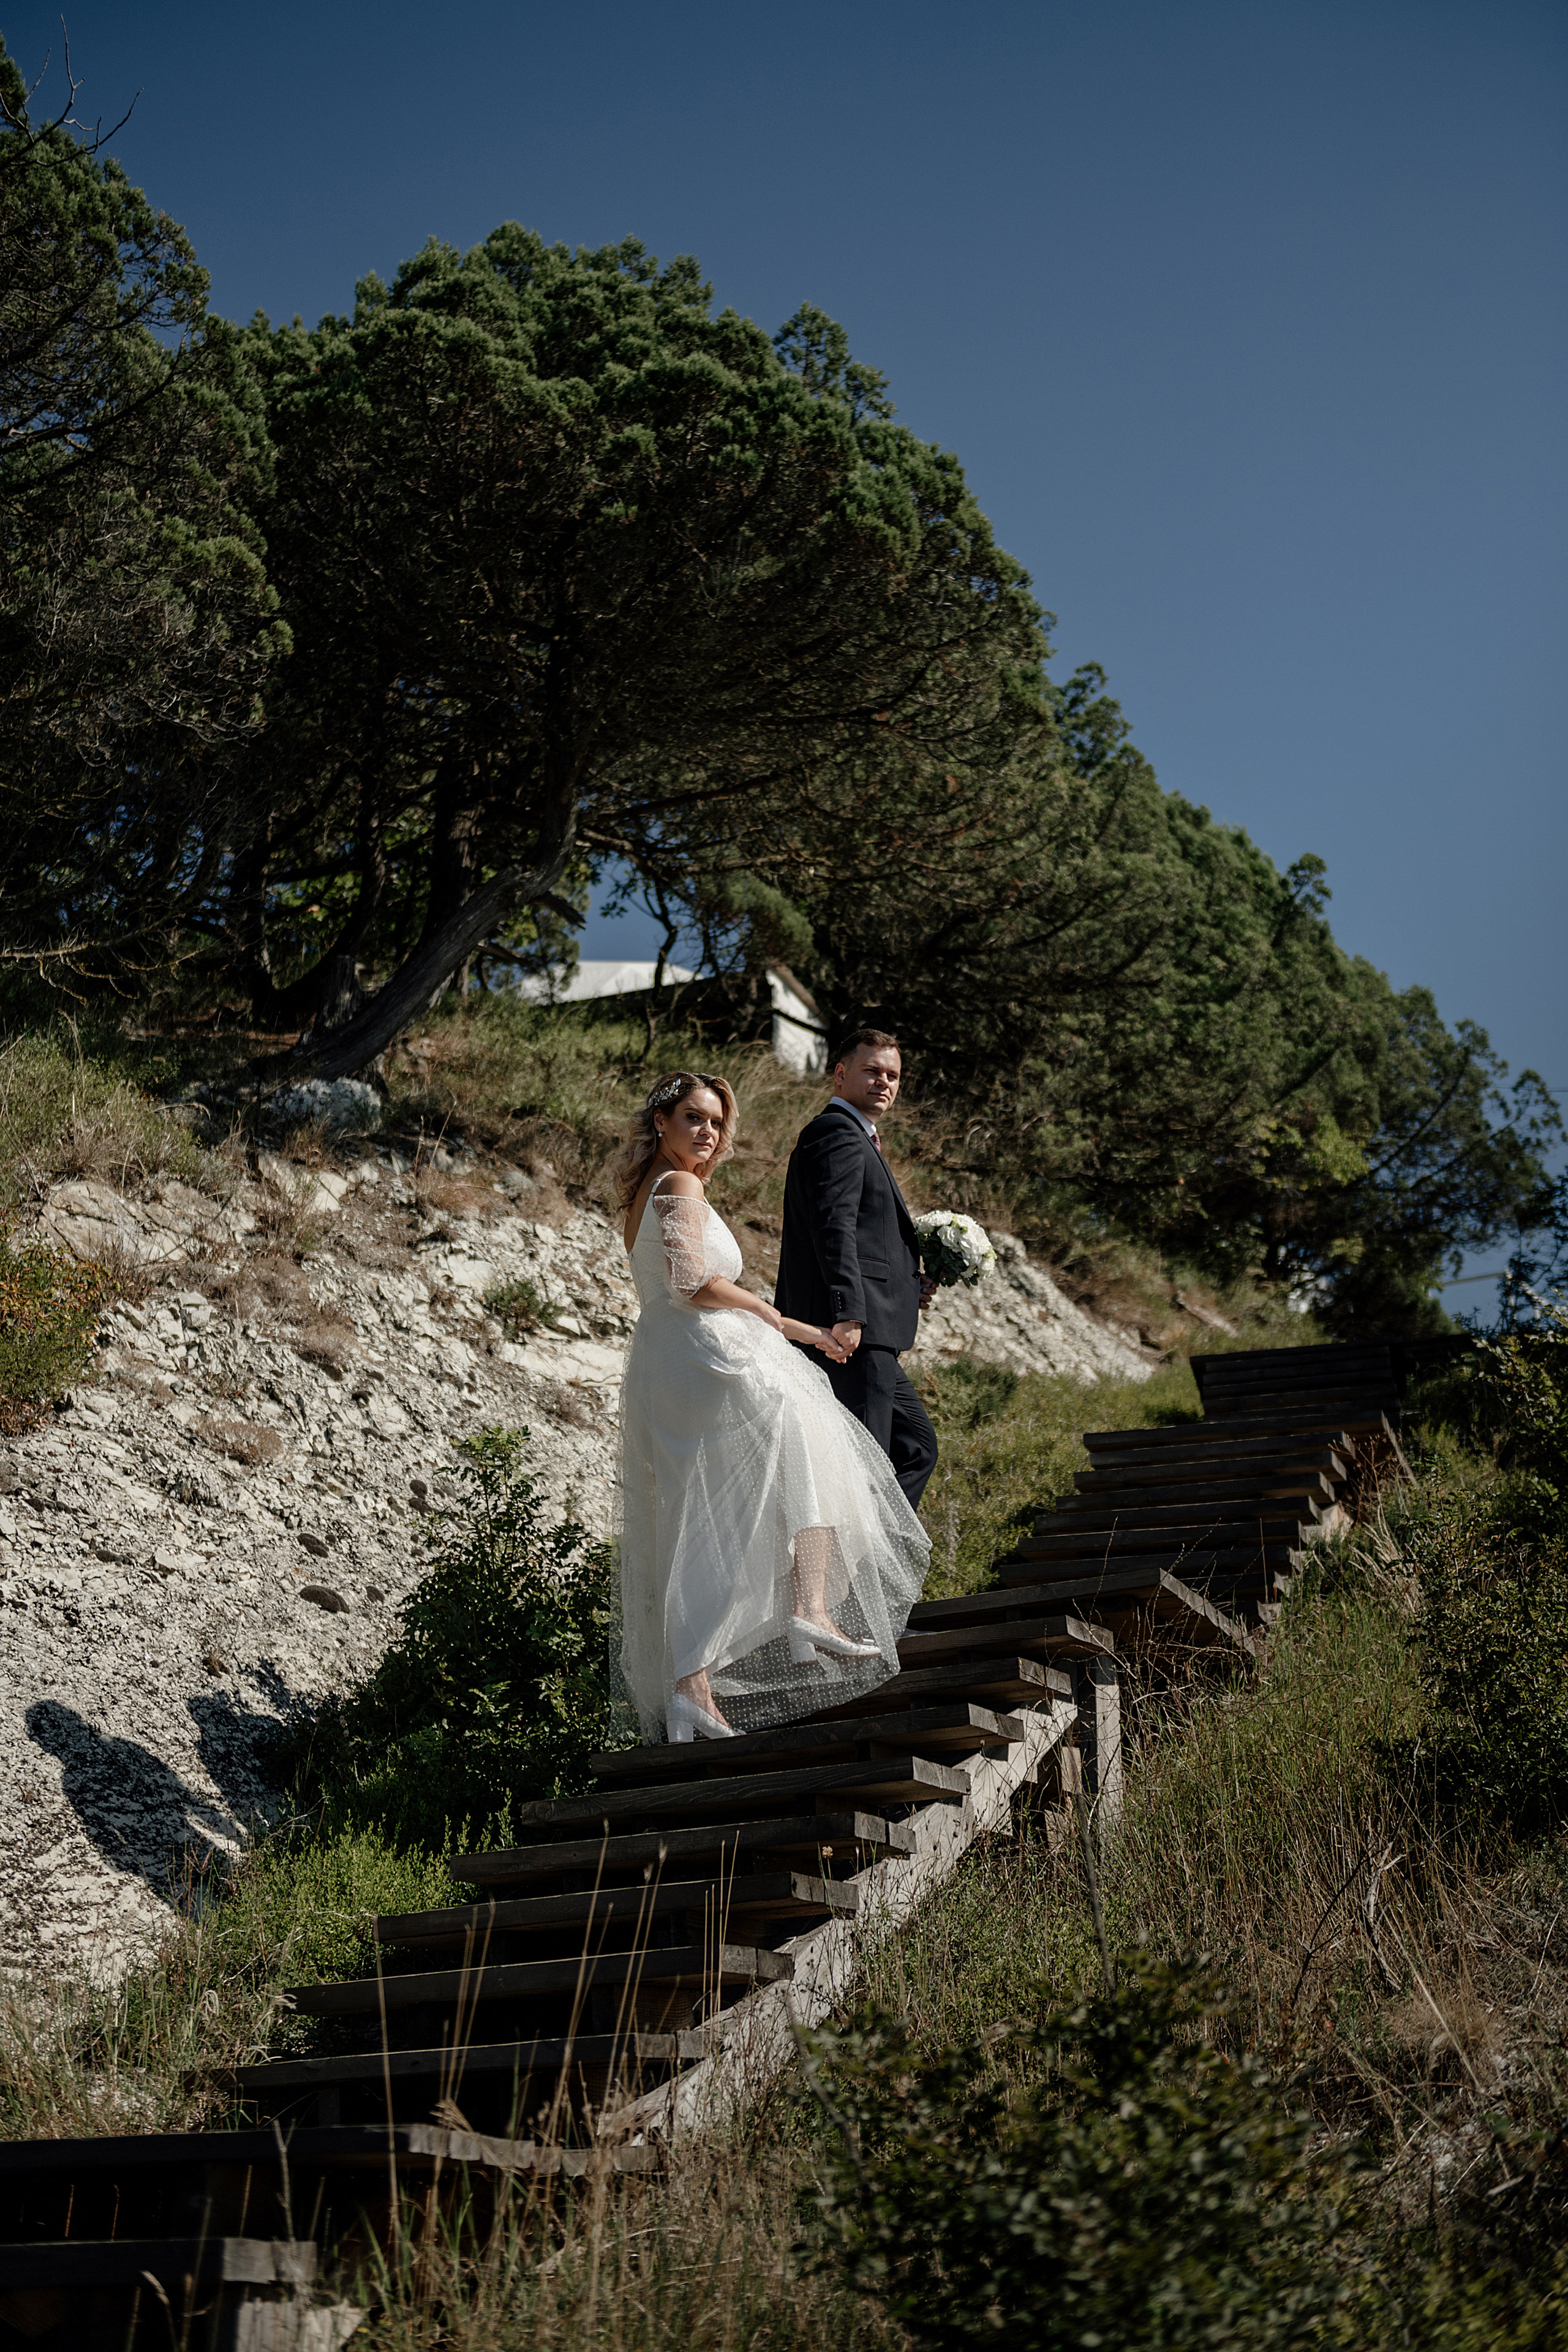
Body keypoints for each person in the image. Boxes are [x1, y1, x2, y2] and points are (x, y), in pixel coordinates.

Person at [616, 1071, 930, 1745]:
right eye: (694, 1117)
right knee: (808, 1444)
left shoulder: (647, 1190)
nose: (708, 1131)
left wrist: (794, 1328)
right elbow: (690, 1282)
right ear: (661, 1122)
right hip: (703, 1352)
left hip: (669, 1357)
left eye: (716, 1122)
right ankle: (808, 1608)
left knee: (708, 1514)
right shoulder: (680, 1185)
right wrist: (769, 1312)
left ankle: (692, 1688)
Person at [774, 1028, 939, 1510]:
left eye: (893, 1075)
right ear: (841, 1074)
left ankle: (876, 1552)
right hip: (850, 1334)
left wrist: (911, 1285)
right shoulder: (836, 1133)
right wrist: (847, 1311)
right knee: (863, 1463)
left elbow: (867, 1238)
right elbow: (834, 1226)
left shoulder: (858, 1138)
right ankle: (849, 1558)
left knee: (915, 1449)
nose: (884, 1082)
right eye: (872, 1071)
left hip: (872, 1329)